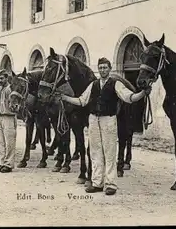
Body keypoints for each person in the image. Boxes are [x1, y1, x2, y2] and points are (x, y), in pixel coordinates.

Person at [58, 57, 150, 196]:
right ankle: (97, 183)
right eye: (100, 68)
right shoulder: (93, 85)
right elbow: (82, 101)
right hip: (93, 119)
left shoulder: (116, 84)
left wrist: (143, 93)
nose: (102, 70)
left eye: (105, 67)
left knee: (109, 152)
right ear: (98, 69)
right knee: (95, 152)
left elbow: (129, 97)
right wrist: (65, 98)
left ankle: (110, 184)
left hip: (109, 120)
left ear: (110, 68)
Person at [0, 70, 18, 173]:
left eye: (2, 78)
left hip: (9, 116)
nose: (0, 80)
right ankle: (2, 162)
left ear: (6, 78)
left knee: (9, 142)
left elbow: (15, 105)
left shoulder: (10, 89)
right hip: (0, 117)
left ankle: (8, 164)